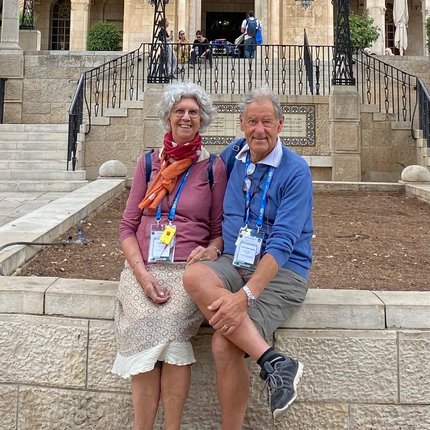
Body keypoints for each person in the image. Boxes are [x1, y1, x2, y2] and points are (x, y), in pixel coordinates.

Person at [183, 86, 313, 429]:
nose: (260, 129)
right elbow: (208, 200)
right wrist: (213, 246)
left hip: (281, 271)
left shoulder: (296, 171)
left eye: (267, 121)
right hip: (234, 261)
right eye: (252, 121)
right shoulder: (233, 156)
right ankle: (273, 361)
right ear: (241, 124)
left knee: (224, 344)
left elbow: (283, 243)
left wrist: (246, 297)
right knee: (195, 275)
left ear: (281, 124)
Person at [112, 81, 227, 430]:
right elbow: (128, 227)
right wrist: (142, 275)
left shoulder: (212, 167)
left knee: (172, 330)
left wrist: (211, 250)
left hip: (186, 272)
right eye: (180, 111)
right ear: (168, 117)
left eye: (193, 112)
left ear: (202, 119)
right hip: (142, 268)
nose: (187, 117)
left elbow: (219, 230)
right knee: (145, 333)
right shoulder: (147, 163)